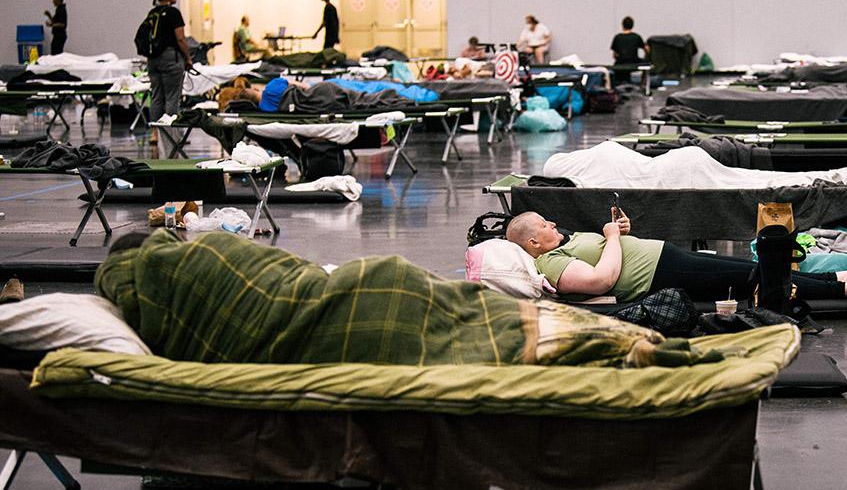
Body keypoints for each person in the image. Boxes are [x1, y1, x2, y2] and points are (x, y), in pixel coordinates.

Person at [94, 229, 730, 369]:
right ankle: (641, 344)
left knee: (475, 312)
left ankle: (640, 338)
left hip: (362, 289)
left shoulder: (177, 272)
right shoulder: (163, 268)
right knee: (495, 324)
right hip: (358, 300)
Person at [506, 211, 847, 303]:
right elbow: (600, 281)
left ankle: (834, 280)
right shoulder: (550, 264)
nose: (552, 222)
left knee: (755, 268)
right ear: (533, 244)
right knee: (753, 282)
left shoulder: (564, 244)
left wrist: (618, 231)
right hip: (659, 275)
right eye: (543, 224)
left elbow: (609, 251)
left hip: (665, 258)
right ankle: (843, 293)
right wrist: (611, 239)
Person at [146, 0, 193, 123]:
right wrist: (188, 58)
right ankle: (170, 132)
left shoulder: (152, 13)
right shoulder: (173, 13)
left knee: (156, 96)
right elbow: (180, 39)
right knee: (172, 96)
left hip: (152, 59)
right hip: (170, 58)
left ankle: (155, 132)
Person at [610, 16, 647, 85]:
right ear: (632, 25)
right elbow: (646, 49)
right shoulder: (637, 37)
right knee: (646, 65)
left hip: (620, 63)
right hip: (634, 62)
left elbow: (614, 55)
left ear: (622, 25)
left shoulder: (617, 37)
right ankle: (643, 84)